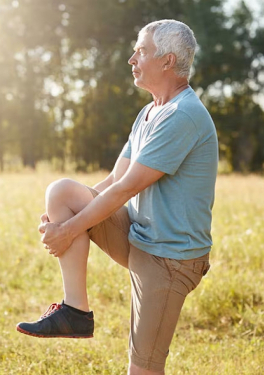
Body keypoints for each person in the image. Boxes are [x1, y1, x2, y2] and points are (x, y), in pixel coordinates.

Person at [16, 19, 218, 375]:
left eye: (141, 50)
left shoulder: (183, 115)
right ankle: (75, 311)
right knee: (63, 192)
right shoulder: (149, 112)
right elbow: (114, 179)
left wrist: (69, 230)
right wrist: (67, 221)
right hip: (141, 240)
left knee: (142, 368)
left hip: (170, 259)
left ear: (167, 61)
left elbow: (128, 188)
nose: (132, 58)